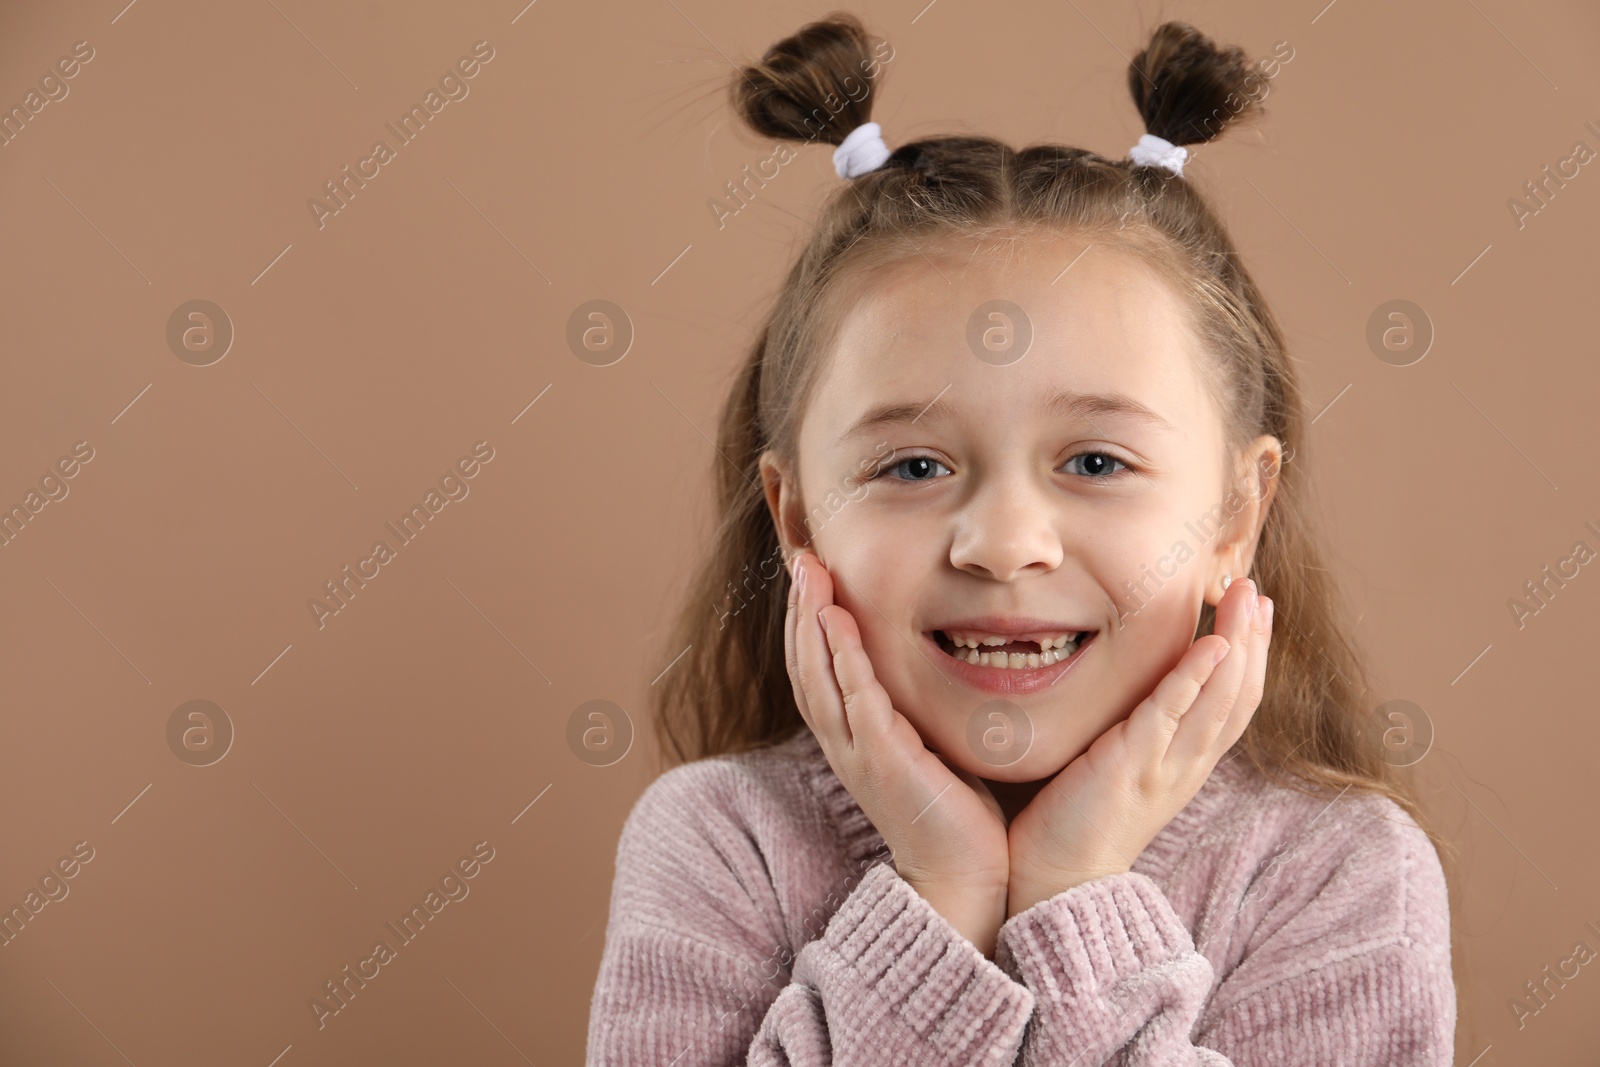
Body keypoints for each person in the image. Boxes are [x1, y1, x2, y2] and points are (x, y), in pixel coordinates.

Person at [587, 12, 1456, 1065]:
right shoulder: (720, 844)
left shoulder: (1337, 871)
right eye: (911, 466)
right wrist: (938, 893)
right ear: (798, 519)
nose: (1002, 544)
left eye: (1093, 461)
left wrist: (1078, 891)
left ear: (1235, 515)